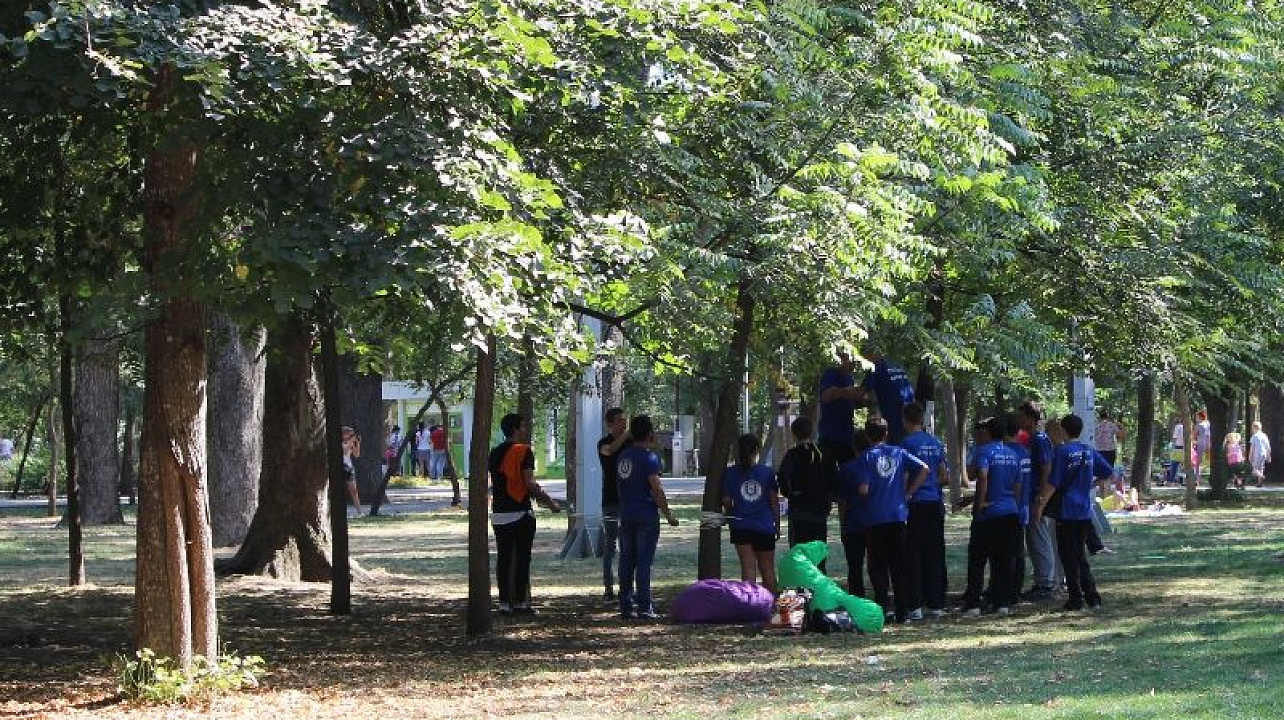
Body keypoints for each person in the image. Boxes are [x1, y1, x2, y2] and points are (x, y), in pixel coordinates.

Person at [845, 417, 927, 623]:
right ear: (887, 433)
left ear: (867, 435)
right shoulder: (898, 453)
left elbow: (864, 488)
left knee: (878, 566)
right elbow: (924, 468)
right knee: (899, 565)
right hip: (898, 516)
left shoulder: (866, 458)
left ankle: (884, 608)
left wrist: (867, 494)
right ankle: (903, 610)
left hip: (874, 518)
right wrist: (908, 492)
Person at [1032, 414, 1114, 612]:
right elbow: (1108, 472)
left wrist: (1040, 505)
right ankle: (1092, 598)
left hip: (1066, 512)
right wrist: (1088, 485)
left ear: (1063, 430)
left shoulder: (1062, 452)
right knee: (1080, 555)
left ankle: (1076, 598)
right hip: (1084, 512)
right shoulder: (1088, 450)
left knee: (1069, 556)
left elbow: (1053, 482)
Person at [489, 413, 562, 615]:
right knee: (522, 558)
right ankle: (521, 602)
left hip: (499, 513)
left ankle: (504, 603)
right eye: (522, 426)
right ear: (514, 429)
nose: (525, 429)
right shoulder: (523, 451)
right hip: (520, 512)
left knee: (503, 559)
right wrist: (550, 502)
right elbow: (529, 483)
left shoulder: (494, 453)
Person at [615, 415, 679, 620]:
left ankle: (625, 605)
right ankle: (644, 605)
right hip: (646, 515)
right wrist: (668, 514)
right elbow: (656, 488)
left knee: (626, 560)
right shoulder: (649, 458)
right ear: (650, 433)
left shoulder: (622, 457)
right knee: (643, 562)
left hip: (626, 513)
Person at [960, 418, 1022, 617]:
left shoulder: (984, 452)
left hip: (989, 514)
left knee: (977, 560)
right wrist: (1015, 505)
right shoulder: (1013, 454)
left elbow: (982, 477)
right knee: (1004, 559)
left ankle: (973, 604)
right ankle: (1002, 602)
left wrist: (979, 506)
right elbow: (1017, 485)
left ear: (988, 433)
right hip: (1010, 511)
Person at [899, 402, 948, 619]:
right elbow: (944, 475)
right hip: (935, 502)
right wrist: (931, 485)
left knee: (913, 554)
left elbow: (905, 476)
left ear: (905, 420)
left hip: (916, 504)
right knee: (935, 553)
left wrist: (908, 493)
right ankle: (936, 603)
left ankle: (915, 605)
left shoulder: (906, 444)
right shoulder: (935, 442)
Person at [722, 434, 781, 594]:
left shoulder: (730, 473)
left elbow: (727, 500)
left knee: (748, 569)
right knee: (768, 569)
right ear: (757, 450)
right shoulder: (767, 473)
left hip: (741, 526)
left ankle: (750, 606)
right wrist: (777, 525)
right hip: (764, 526)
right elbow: (774, 502)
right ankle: (772, 606)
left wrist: (729, 514)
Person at [1017, 401, 1059, 601]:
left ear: (1030, 418)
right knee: (1033, 539)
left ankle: (1046, 583)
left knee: (1039, 537)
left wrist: (1040, 498)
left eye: (1021, 416)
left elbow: (1046, 469)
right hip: (1029, 496)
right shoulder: (1031, 440)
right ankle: (1040, 580)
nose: (1018, 420)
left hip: (1036, 497)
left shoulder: (1040, 440)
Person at [777, 417, 832, 566]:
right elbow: (834, 478)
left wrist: (791, 493)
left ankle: (803, 587)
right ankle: (819, 586)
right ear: (812, 432)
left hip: (799, 512)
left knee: (800, 555)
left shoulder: (793, 455)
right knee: (819, 556)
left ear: (793, 434)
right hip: (820, 511)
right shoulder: (824, 453)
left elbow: (782, 478)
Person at [597, 407, 631, 602]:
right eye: (619, 420)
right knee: (611, 546)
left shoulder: (631, 443)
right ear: (609, 424)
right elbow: (609, 451)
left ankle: (626, 588)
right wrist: (626, 435)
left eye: (624, 420)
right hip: (610, 500)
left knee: (628, 546)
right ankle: (608, 589)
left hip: (628, 501)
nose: (623, 423)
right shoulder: (603, 443)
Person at [837, 429, 873, 598]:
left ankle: (857, 598)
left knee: (855, 566)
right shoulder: (876, 465)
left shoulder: (846, 469)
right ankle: (881, 598)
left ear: (854, 446)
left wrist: (842, 525)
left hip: (853, 522)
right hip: (875, 521)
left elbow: (842, 501)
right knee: (877, 564)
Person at [1002, 414, 1032, 606]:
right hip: (1024, 507)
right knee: (1018, 551)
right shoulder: (1024, 452)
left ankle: (1009, 591)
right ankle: (1016, 590)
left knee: (1008, 553)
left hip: (1010, 507)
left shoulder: (1007, 453)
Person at [818, 349, 862, 475]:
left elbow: (850, 401)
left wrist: (862, 400)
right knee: (827, 474)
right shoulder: (830, 374)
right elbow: (825, 396)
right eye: (851, 362)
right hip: (829, 435)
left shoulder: (850, 378)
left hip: (847, 436)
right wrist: (844, 392)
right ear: (843, 359)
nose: (853, 366)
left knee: (848, 474)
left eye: (856, 363)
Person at [859, 349, 916, 442]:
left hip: (894, 421)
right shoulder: (895, 365)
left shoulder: (876, 367)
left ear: (869, 354)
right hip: (909, 420)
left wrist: (842, 393)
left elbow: (860, 392)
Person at [341, 427, 364, 517]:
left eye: (352, 434)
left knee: (354, 491)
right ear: (344, 434)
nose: (351, 436)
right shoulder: (341, 442)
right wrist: (351, 441)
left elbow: (356, 454)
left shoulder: (350, 443)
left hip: (349, 468)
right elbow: (344, 451)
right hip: (341, 467)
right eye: (349, 434)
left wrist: (357, 443)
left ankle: (359, 511)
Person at [1249, 421, 1272, 487]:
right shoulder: (1264, 435)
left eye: (1252, 428)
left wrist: (1250, 455)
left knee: (1254, 470)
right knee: (1260, 468)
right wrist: (1268, 455)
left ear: (1254, 428)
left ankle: (1261, 476)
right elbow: (1268, 446)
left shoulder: (1254, 436)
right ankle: (1260, 483)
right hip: (1263, 454)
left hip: (1257, 454)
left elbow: (1252, 447)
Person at [1193, 410, 1212, 483]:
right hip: (1209, 444)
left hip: (1200, 444)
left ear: (1199, 417)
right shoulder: (1209, 424)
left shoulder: (1198, 425)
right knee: (1209, 462)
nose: (1196, 418)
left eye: (1196, 417)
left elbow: (1194, 436)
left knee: (1198, 462)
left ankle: (1198, 479)